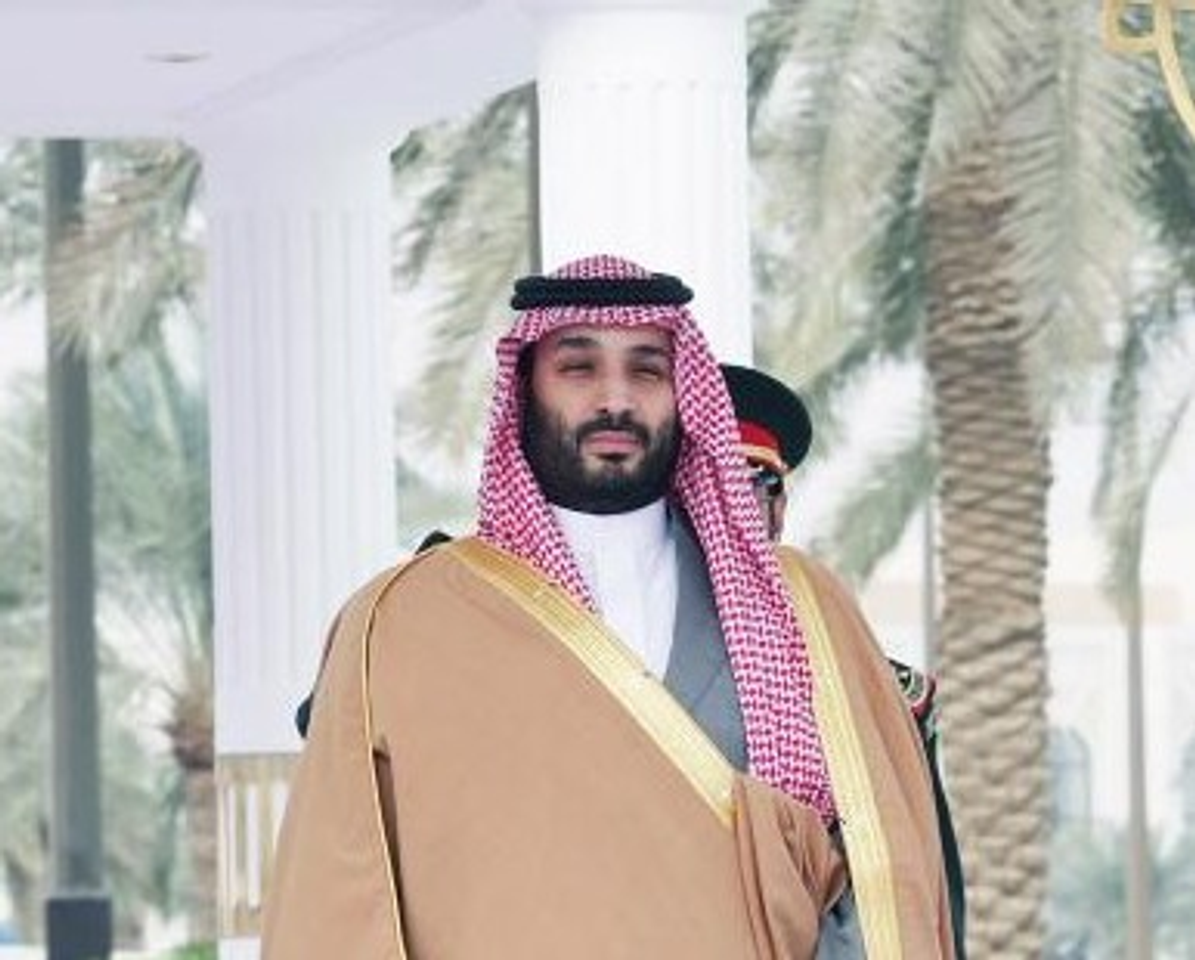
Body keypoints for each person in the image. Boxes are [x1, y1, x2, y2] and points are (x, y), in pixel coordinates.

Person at [262, 254, 957, 958]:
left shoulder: (803, 608)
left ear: (683, 393)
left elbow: (879, 872)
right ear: (523, 388)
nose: (615, 398)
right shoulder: (400, 624)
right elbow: (341, 898)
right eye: (578, 367)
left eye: (647, 370)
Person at [721, 361, 968, 959]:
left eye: (751, 485)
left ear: (778, 508)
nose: (726, 510)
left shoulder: (883, 696)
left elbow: (919, 890)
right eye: (705, 487)